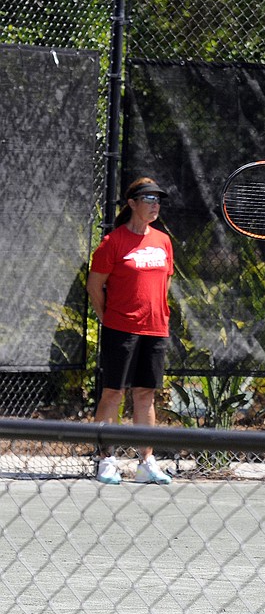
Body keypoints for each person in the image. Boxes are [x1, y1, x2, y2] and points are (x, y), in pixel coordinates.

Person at [87, 177, 174, 485]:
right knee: (113, 392)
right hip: (119, 329)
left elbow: (164, 283)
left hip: (155, 330)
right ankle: (106, 460)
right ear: (132, 203)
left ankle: (146, 462)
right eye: (148, 198)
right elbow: (94, 285)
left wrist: (157, 314)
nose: (155, 204)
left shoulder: (163, 241)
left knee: (146, 394)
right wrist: (109, 318)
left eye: (158, 199)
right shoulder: (113, 242)